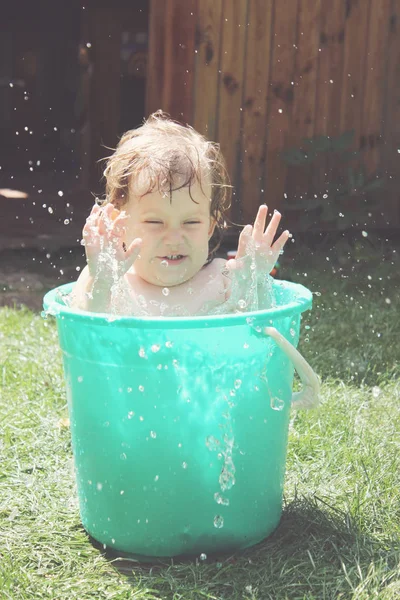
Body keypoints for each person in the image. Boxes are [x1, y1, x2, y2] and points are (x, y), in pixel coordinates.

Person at [72, 111, 290, 316]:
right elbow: (87, 328)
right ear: (119, 226)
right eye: (155, 221)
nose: (175, 238)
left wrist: (255, 280)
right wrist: (101, 282)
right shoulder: (110, 281)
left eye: (191, 222)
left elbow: (260, 327)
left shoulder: (223, 279)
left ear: (210, 227)